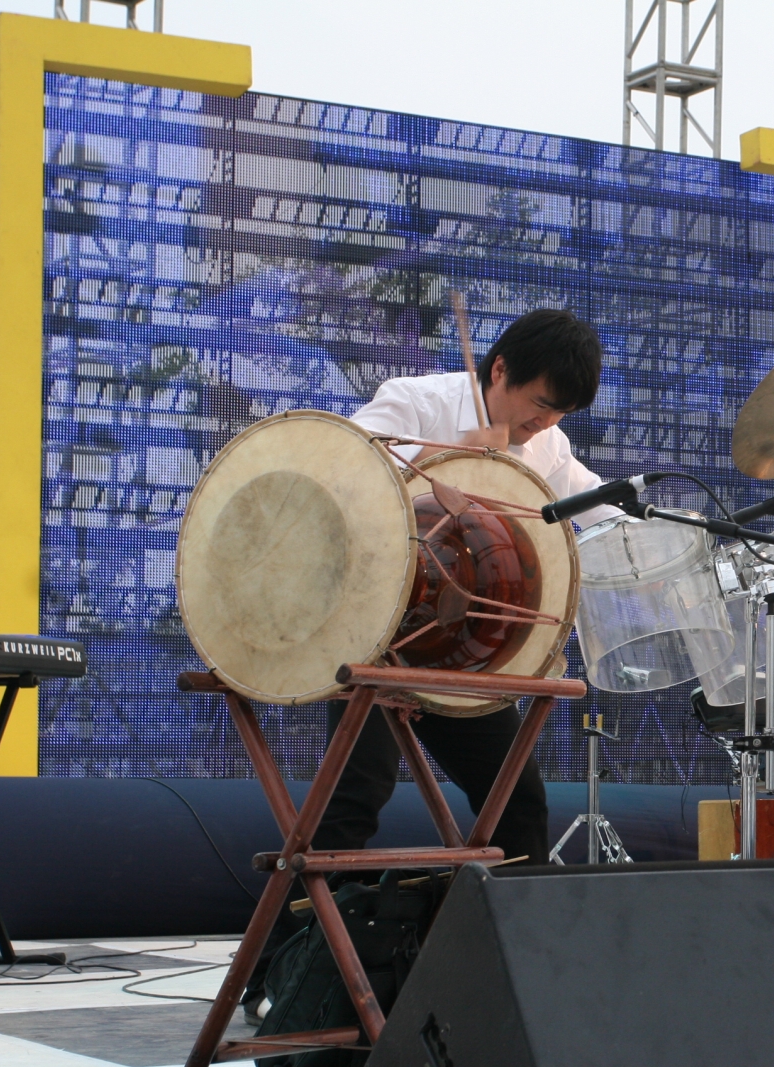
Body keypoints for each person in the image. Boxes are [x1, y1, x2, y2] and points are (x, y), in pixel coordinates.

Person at [243, 308, 611, 1020]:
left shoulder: (550, 448)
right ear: (498, 369)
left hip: (465, 659)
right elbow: (342, 481)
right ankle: (286, 970)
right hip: (380, 640)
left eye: (558, 414)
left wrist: (645, 519)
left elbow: (591, 513)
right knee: (351, 806)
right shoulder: (412, 401)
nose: (543, 425)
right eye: (539, 405)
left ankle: (520, 965)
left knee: (518, 799)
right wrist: (443, 459)